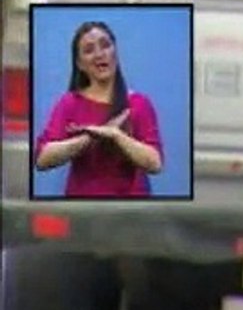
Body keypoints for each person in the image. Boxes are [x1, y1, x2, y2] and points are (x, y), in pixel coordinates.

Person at [34, 21, 163, 197]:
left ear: (115, 51)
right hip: (83, 206)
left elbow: (155, 163)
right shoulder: (69, 103)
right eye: (89, 50)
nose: (100, 54)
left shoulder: (139, 103)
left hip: (131, 207)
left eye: (105, 45)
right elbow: (42, 159)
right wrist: (89, 138)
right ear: (80, 64)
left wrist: (116, 135)